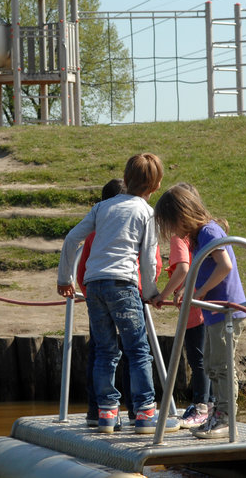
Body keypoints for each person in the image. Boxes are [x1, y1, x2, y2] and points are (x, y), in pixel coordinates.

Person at [57, 153, 178, 434]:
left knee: (105, 351)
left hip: (95, 284)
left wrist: (64, 278)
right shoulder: (147, 212)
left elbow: (73, 238)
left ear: (125, 179)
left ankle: (107, 414)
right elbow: (148, 257)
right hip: (123, 284)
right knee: (137, 350)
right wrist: (150, 291)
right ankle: (145, 413)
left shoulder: (102, 208)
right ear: (157, 186)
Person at [154, 183, 246, 439]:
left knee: (222, 365)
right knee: (212, 364)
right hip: (213, 313)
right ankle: (218, 413)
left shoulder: (208, 231)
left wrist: (201, 291)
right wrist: (190, 289)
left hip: (227, 311)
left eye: (172, 224)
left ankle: (227, 418)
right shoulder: (198, 237)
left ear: (183, 215)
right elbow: (205, 270)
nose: (172, 231)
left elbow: (224, 266)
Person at [151, 182, 211, 430]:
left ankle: (201, 407)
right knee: (208, 358)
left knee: (197, 359)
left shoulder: (179, 237)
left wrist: (161, 295)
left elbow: (183, 269)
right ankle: (211, 404)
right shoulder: (201, 233)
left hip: (194, 309)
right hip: (208, 306)